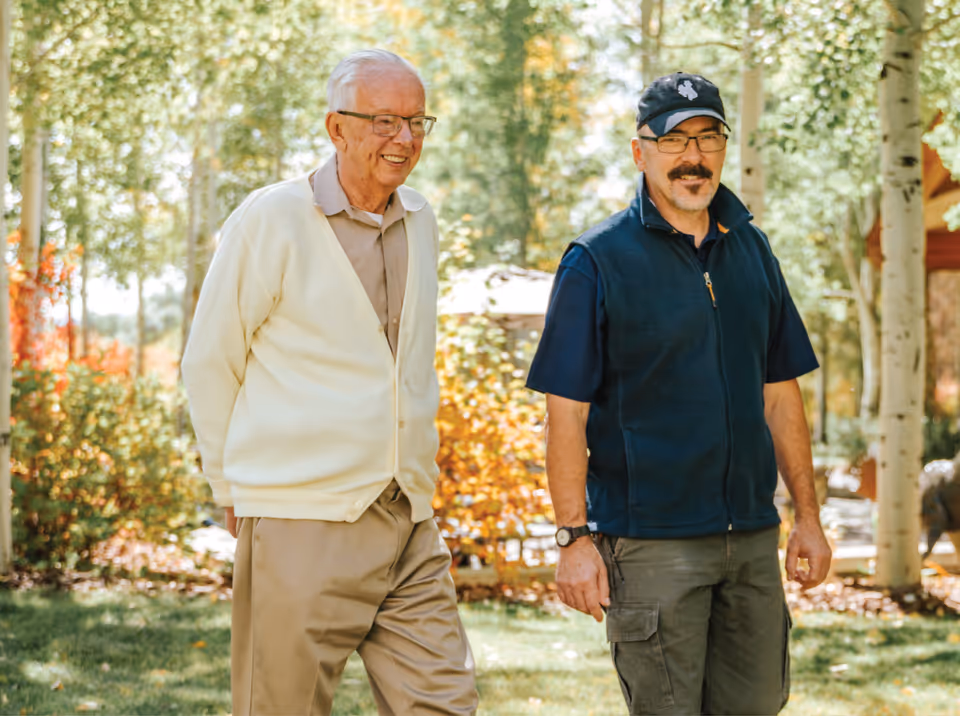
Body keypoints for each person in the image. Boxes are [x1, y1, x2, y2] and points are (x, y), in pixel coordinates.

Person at [181, 49, 478, 716]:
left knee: (445, 702)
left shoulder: (421, 220)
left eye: (415, 121)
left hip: (406, 515)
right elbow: (211, 359)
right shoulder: (272, 218)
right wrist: (227, 484)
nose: (404, 139)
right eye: (383, 122)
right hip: (300, 517)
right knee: (282, 706)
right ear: (335, 128)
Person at [525, 72, 832, 715]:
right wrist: (573, 539)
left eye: (708, 137)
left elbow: (781, 397)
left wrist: (807, 517)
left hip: (750, 541)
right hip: (651, 547)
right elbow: (565, 417)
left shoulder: (753, 250)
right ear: (641, 152)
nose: (693, 156)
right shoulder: (595, 260)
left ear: (724, 147)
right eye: (674, 140)